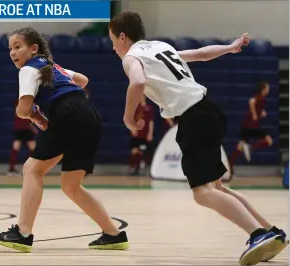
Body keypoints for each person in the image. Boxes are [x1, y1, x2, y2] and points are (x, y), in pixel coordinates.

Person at [108, 11, 288, 266]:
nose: (113, 47)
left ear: (123, 37)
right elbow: (201, 54)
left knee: (202, 193)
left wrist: (128, 117)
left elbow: (137, 82)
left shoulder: (131, 58)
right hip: (208, 110)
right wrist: (230, 47)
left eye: (113, 40)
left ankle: (257, 235)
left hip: (194, 118)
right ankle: (271, 231)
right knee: (216, 188)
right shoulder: (160, 47)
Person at [0, 27, 129, 252]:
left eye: (17, 47)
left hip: (69, 116)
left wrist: (35, 114)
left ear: (33, 49)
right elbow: (83, 80)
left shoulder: (28, 70)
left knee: (32, 169)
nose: (12, 53)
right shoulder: (54, 67)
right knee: (71, 186)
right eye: (10, 49)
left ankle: (22, 233)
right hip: (89, 115)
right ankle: (113, 234)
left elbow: (22, 110)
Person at [229, 81, 273, 173]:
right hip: (252, 126)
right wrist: (254, 114)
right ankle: (250, 148)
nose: (269, 89)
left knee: (239, 147)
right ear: (263, 89)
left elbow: (255, 106)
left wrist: (261, 113)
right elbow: (251, 102)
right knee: (268, 141)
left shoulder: (262, 98)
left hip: (246, 126)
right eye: (267, 88)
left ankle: (229, 169)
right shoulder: (259, 97)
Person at [8, 100, 38, 176]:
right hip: (25, 128)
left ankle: (11, 168)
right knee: (33, 148)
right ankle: (29, 169)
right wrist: (34, 129)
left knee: (16, 146)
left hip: (18, 128)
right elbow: (30, 117)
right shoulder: (29, 103)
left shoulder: (18, 103)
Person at [129, 94, 154, 175]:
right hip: (136, 133)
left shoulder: (149, 108)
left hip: (145, 134)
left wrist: (150, 133)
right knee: (134, 151)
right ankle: (133, 167)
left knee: (143, 150)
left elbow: (150, 122)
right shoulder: (135, 107)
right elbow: (130, 119)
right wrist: (132, 129)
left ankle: (141, 167)